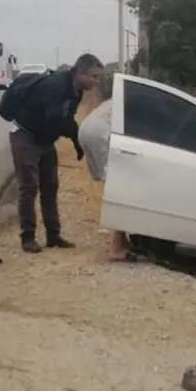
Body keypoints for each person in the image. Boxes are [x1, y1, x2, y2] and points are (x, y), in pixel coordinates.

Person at [7, 53, 104, 253]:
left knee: (50, 186)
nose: (96, 81)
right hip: (25, 135)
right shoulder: (56, 86)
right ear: (81, 73)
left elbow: (67, 118)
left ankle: (53, 236)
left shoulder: (76, 91)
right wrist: (71, 134)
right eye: (94, 77)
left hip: (45, 139)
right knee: (29, 187)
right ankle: (27, 238)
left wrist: (78, 142)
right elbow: (53, 119)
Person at [75, 80, 130, 261]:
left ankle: (121, 240)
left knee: (111, 185)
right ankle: (117, 245)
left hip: (86, 128)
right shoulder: (146, 103)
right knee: (118, 187)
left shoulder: (121, 99)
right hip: (99, 132)